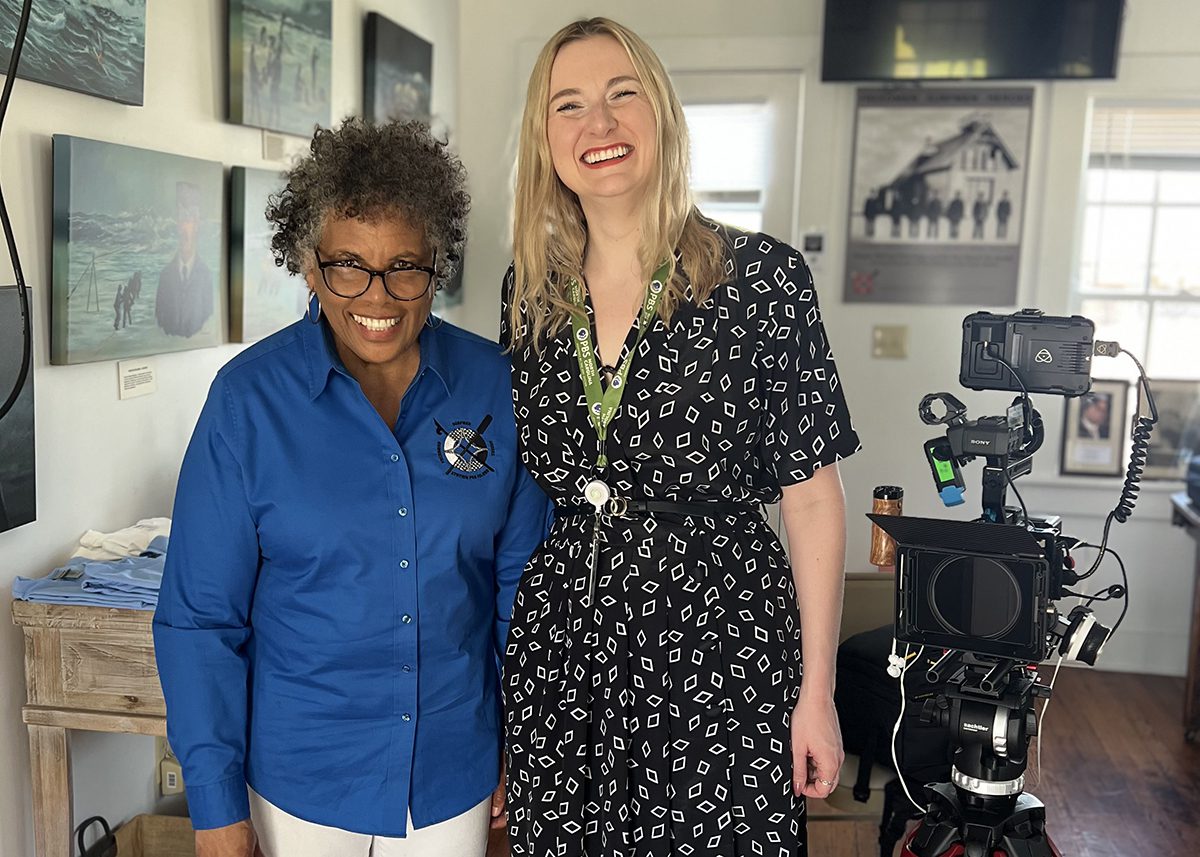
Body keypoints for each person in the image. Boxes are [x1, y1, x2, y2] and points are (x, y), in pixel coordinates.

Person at [501, 18, 861, 857]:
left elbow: (811, 499)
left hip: (720, 649)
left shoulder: (762, 281)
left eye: (624, 94)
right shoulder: (532, 291)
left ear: (662, 112)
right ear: (544, 138)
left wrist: (819, 691)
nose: (601, 125)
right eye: (570, 105)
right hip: (567, 653)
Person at [153, 118, 548, 857]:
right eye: (348, 266)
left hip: (448, 773)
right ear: (308, 264)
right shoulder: (247, 404)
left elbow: (522, 595)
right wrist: (214, 806)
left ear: (438, 265)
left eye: (405, 266)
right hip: (302, 779)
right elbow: (199, 620)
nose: (379, 296)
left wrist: (518, 744)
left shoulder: (495, 384)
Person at [155, 182, 214, 338]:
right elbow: (160, 317)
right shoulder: (165, 275)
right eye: (179, 219)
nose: (182, 227)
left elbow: (208, 315)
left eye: (187, 219)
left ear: (197, 224)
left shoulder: (206, 275)